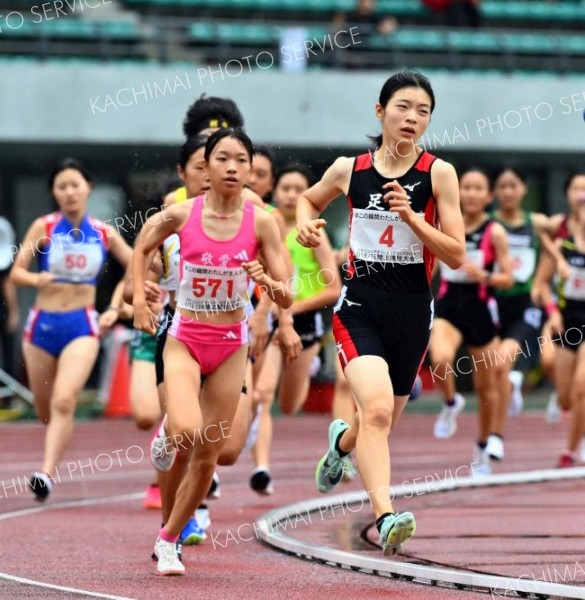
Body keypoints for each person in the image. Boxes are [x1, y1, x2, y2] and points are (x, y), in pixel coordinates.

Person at [296, 71, 465, 556]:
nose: (412, 118)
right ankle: (387, 516)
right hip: (359, 308)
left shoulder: (439, 174)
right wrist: (309, 228)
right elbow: (309, 202)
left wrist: (413, 218)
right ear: (380, 111)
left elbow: (456, 255)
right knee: (376, 409)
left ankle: (341, 445)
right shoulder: (349, 169)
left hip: (412, 314)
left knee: (378, 423)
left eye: (423, 111)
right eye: (403, 107)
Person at [133, 128, 294, 575]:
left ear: (249, 170)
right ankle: (166, 432)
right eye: (221, 159)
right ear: (205, 167)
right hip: (185, 339)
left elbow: (286, 294)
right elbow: (143, 242)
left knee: (210, 452)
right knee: (185, 429)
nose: (231, 168)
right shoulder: (182, 213)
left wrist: (267, 281)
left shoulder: (262, 222)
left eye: (241, 161)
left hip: (230, 346)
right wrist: (136, 300)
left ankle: (169, 541)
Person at [9, 158, 131, 501]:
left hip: (82, 324)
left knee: (65, 400)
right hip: (43, 327)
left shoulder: (103, 232)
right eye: (61, 186)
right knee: (46, 409)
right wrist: (36, 278)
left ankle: (45, 474)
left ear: (88, 188)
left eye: (75, 184)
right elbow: (17, 272)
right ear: (54, 192)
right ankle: (58, 438)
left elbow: (137, 262)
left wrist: (115, 305)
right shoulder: (44, 227)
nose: (69, 192)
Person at [251, 164, 341, 494]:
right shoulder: (265, 224)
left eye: (297, 189)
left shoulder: (313, 232)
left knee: (289, 405)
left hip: (305, 318)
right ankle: (262, 467)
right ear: (275, 191)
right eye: (285, 188)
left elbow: (333, 288)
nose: (290, 195)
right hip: (271, 315)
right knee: (261, 395)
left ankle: (310, 365)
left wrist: (291, 305)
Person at [430, 167, 513, 475]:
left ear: (488, 196)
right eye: (466, 187)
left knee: (486, 388)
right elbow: (433, 265)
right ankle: (451, 403)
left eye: (479, 189)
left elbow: (509, 277)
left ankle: (482, 445)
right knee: (439, 359)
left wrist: (486, 275)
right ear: (457, 191)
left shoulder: (496, 231)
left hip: (479, 308)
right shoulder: (445, 226)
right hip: (449, 305)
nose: (472, 194)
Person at [488, 167, 552, 461]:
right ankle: (509, 388)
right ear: (495, 192)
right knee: (492, 373)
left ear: (524, 190)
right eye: (502, 186)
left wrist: (542, 278)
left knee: (502, 360)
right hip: (492, 304)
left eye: (513, 185)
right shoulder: (490, 224)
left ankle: (496, 437)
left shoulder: (536, 223)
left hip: (525, 305)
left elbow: (565, 233)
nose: (508, 192)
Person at [533, 171, 585, 425]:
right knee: (551, 365)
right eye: (576, 189)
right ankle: (560, 395)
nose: (582, 195)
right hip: (562, 312)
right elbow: (541, 283)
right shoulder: (559, 228)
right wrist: (556, 256)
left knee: (581, 384)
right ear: (567, 194)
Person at [0, 216, 19, 385]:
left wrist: (13, 312)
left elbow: (7, 284)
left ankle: (9, 393)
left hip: (2, 309)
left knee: (8, 350)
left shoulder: (4, 262)